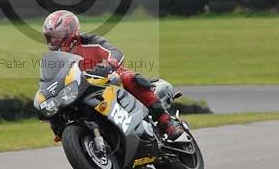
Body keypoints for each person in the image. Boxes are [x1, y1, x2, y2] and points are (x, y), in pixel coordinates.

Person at [42, 9, 184, 140]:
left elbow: (115, 52)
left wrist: (109, 63)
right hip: (84, 89)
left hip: (110, 78)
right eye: (50, 37)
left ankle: (167, 122)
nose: (53, 41)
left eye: (56, 37)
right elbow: (51, 80)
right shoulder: (55, 58)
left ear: (70, 32)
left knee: (129, 78)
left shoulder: (90, 41)